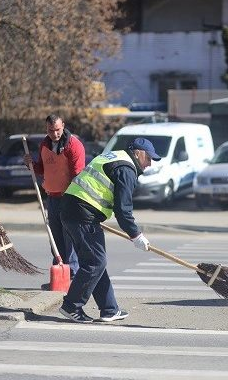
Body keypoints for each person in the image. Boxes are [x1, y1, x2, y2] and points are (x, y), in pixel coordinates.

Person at [58, 138, 160, 323]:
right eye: (148, 158)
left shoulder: (116, 157)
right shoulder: (126, 169)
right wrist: (136, 235)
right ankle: (71, 306)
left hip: (74, 210)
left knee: (95, 263)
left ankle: (109, 309)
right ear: (138, 153)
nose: (150, 163)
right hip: (82, 214)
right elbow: (123, 210)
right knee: (96, 262)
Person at [23, 114, 85, 284]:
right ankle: (59, 274)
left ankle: (72, 275)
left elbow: (77, 176)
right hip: (52, 197)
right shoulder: (45, 144)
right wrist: (30, 164)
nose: (55, 134)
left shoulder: (74, 145)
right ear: (46, 129)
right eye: (51, 130)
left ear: (63, 126)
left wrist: (74, 201)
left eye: (57, 130)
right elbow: (42, 169)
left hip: (69, 198)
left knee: (69, 238)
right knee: (55, 238)